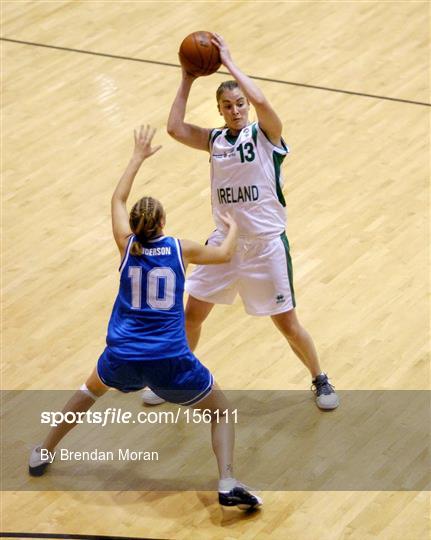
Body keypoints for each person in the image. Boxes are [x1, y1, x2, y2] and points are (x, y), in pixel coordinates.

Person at [28, 125, 262, 510]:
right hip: (170, 358)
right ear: (163, 224)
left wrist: (136, 157)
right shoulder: (178, 248)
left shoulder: (126, 246)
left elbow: (117, 199)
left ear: (134, 227)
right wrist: (233, 227)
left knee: (86, 394)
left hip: (123, 355)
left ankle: (42, 450)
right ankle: (226, 481)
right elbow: (223, 256)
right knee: (221, 410)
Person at [142, 33, 339, 410]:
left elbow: (263, 100)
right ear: (219, 110)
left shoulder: (266, 135)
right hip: (224, 244)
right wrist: (186, 78)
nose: (236, 110)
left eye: (239, 104)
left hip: (265, 245)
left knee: (287, 324)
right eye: (228, 105)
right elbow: (174, 128)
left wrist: (229, 61)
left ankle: (319, 378)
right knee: (191, 315)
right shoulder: (214, 140)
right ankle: (176, 380)